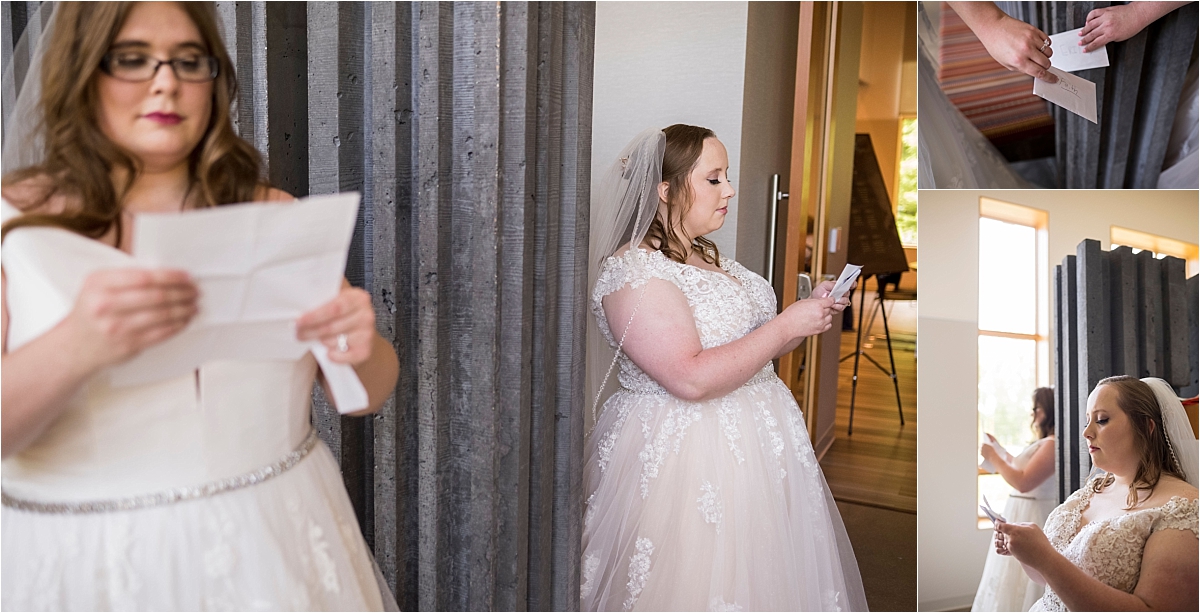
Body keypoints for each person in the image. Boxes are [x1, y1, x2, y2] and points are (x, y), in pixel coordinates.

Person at [0, 3, 400, 609]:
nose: (167, 82)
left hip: (277, 552)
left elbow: (368, 392)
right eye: (132, 59)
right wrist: (75, 344)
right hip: (90, 567)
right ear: (82, 72)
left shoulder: (274, 216)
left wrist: (357, 346)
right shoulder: (15, 227)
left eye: (190, 61)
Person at [579, 125, 867, 611]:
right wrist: (783, 326)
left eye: (725, 176)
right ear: (665, 190)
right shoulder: (635, 272)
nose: (729, 189)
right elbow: (689, 377)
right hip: (687, 455)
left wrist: (804, 318)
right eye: (714, 178)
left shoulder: (709, 259)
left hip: (756, 446)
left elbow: (750, 357)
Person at [994, 376, 1198, 612]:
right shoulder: (1093, 489)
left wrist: (1045, 558)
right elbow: (1050, 581)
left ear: (1146, 427)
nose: (1087, 433)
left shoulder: (1183, 509)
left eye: (1102, 420)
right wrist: (1025, 551)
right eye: (1087, 421)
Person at [972, 387, 1058, 612]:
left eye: (1037, 408)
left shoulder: (1052, 443)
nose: (1033, 414)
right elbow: (1017, 466)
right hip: (1021, 509)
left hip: (1033, 513)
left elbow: (1023, 481)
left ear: (1048, 410)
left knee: (1026, 573)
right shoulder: (1043, 442)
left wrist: (993, 457)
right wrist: (998, 449)